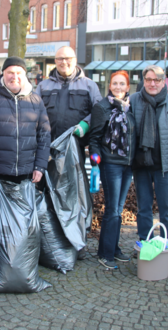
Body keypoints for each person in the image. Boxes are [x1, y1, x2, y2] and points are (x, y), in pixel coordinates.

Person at [35, 46, 102, 259]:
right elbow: (33, 112)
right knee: (46, 195)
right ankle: (48, 242)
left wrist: (86, 124)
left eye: (68, 58)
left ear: (75, 60)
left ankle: (77, 243)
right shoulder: (43, 86)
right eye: (60, 59)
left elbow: (100, 112)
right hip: (47, 151)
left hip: (75, 152)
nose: (64, 62)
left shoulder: (89, 86)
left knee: (75, 197)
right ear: (55, 61)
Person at [130, 65, 168, 269]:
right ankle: (146, 246)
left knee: (167, 211)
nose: (152, 83)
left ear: (164, 82)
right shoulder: (134, 100)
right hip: (141, 166)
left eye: (156, 80)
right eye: (148, 80)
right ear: (143, 81)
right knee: (143, 210)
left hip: (165, 167)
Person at [0, 56, 51, 187]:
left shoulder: (36, 100)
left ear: (25, 75)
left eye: (19, 73)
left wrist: (40, 166)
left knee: (26, 207)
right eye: (10, 72)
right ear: (3, 74)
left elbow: (44, 135)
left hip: (28, 172)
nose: (14, 77)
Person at [88, 70, 136, 269]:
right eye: (114, 84)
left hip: (128, 164)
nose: (118, 87)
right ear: (109, 86)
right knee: (112, 210)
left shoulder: (131, 107)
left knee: (118, 209)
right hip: (110, 164)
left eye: (121, 84)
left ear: (128, 87)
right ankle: (105, 253)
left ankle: (114, 249)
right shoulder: (102, 107)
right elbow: (95, 138)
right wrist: (95, 160)